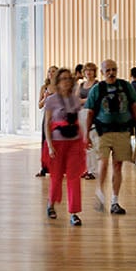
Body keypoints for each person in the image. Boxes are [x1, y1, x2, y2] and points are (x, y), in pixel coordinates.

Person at [81, 60, 136, 215]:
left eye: (114, 69)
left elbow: (135, 107)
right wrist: (86, 135)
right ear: (102, 72)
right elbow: (89, 112)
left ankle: (115, 201)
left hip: (122, 132)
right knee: (103, 163)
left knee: (118, 165)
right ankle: (100, 192)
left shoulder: (125, 86)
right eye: (108, 70)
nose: (111, 73)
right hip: (102, 132)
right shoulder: (97, 89)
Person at [42, 68, 86, 226]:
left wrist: (84, 139)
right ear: (58, 82)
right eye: (63, 79)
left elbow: (77, 121)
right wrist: (50, 145)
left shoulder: (75, 100)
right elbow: (47, 124)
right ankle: (51, 204)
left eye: (69, 78)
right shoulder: (51, 100)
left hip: (74, 142)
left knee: (74, 177)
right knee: (57, 176)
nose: (66, 81)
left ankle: (74, 212)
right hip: (57, 143)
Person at [36, 65, 59, 177]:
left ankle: (58, 167)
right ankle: (44, 167)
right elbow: (39, 105)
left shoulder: (60, 87)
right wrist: (45, 98)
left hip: (59, 116)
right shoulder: (44, 87)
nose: (51, 73)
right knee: (45, 141)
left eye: (54, 71)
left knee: (57, 142)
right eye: (49, 71)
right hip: (47, 116)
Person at [77, 62, 99, 178]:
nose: (88, 72)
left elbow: (94, 99)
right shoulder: (81, 85)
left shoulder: (97, 84)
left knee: (92, 143)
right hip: (81, 114)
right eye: (87, 70)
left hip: (92, 114)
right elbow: (76, 99)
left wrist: (83, 101)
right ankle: (86, 169)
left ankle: (93, 171)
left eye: (91, 70)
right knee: (83, 143)